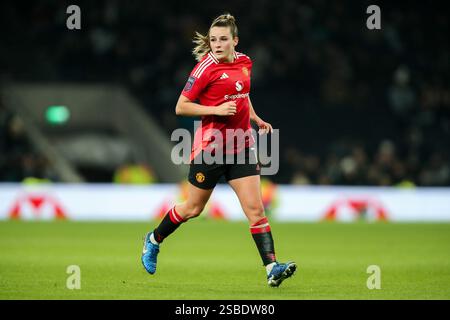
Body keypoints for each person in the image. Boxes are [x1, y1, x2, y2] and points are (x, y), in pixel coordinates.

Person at [141, 13, 296, 287]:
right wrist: (215, 109)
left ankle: (272, 268)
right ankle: (154, 239)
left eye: (223, 39)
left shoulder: (245, 62)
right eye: (213, 39)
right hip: (210, 150)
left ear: (235, 41)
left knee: (256, 210)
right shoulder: (204, 69)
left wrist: (256, 119)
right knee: (192, 208)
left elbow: (242, 95)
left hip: (242, 147)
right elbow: (181, 106)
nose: (217, 44)